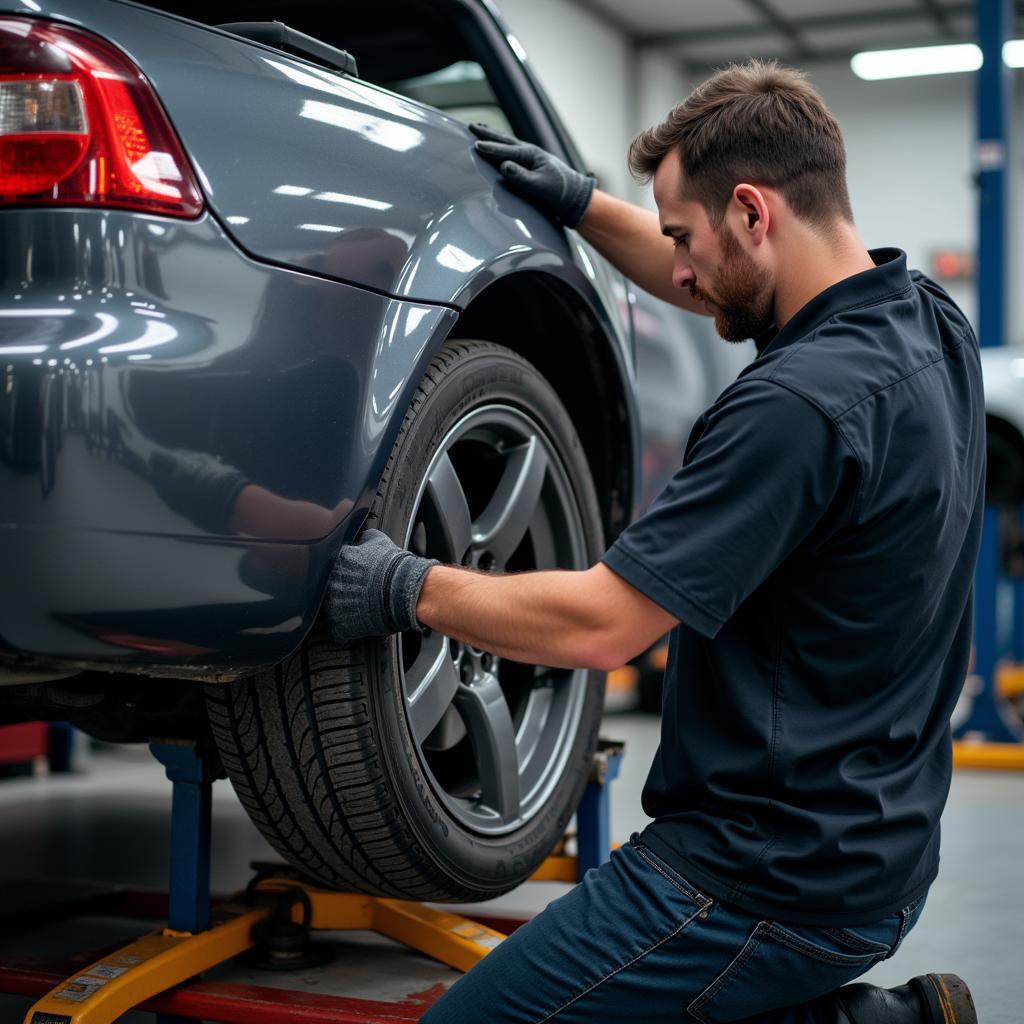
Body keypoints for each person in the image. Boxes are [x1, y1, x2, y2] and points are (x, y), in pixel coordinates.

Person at [327, 60, 982, 1024]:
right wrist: (586, 204)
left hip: (757, 881)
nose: (676, 268)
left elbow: (601, 628)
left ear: (754, 213)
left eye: (684, 236)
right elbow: (726, 290)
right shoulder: (928, 323)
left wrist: (408, 586)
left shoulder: (791, 410)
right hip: (878, 860)